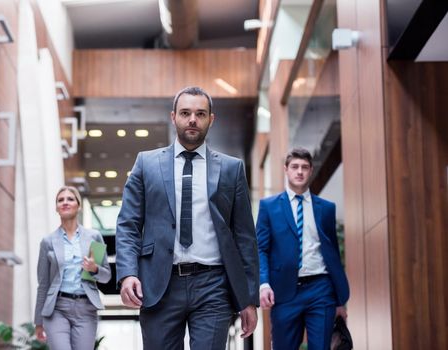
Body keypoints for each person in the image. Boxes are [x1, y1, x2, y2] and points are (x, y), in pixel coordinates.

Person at [115, 86, 259, 349]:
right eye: (185, 113)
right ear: (174, 117)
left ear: (210, 120)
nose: (192, 119)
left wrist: (249, 298)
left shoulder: (231, 168)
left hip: (213, 285)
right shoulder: (146, 164)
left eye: (200, 113)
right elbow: (128, 224)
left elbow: (244, 238)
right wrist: (127, 273)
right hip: (160, 284)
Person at [256, 148, 349, 350]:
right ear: (286, 170)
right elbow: (260, 249)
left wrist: (339, 301)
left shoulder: (326, 208)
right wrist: (264, 283)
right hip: (283, 291)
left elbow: (332, 253)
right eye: (295, 167)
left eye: (305, 167)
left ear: (311, 170)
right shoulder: (268, 207)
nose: (300, 172)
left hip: (320, 289)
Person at [34, 186, 111, 350]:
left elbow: (106, 277)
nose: (65, 202)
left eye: (70, 199)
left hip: (86, 308)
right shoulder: (48, 241)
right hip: (57, 308)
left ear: (79, 205)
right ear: (56, 208)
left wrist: (94, 268)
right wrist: (38, 322)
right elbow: (43, 285)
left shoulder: (93, 237)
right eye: (60, 200)